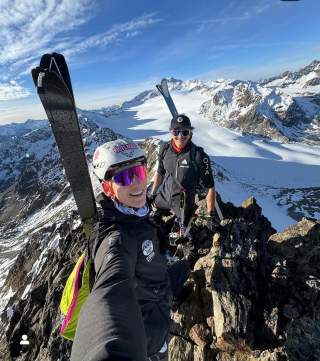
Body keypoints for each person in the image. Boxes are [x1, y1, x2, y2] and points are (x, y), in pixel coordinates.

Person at [70, 138, 189, 361]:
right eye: (123, 177)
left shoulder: (135, 214)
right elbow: (110, 289)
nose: (136, 183)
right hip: (147, 343)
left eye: (140, 172)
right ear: (107, 187)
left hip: (156, 307)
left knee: (185, 268)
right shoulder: (116, 238)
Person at [151, 114, 216, 233]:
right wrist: (153, 194)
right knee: (149, 221)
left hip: (183, 204)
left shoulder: (198, 156)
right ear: (171, 132)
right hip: (163, 197)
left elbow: (209, 186)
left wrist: (209, 213)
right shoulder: (164, 149)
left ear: (190, 133)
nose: (180, 136)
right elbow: (160, 173)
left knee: (183, 238)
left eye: (185, 132)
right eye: (176, 132)